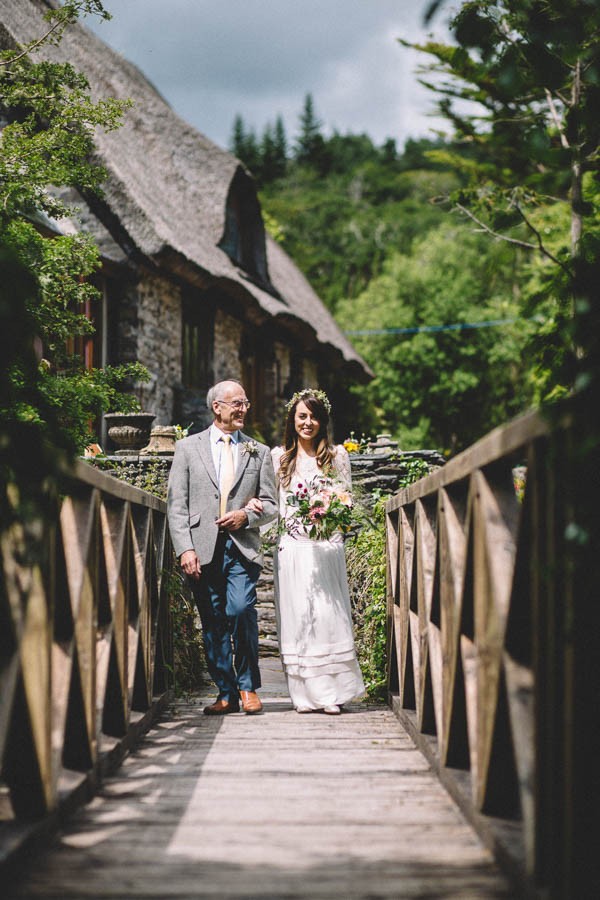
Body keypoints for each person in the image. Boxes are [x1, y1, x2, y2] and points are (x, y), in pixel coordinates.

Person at [167, 380, 277, 715]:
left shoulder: (259, 452)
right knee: (212, 621)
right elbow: (176, 505)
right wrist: (185, 549)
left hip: (241, 549)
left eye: (246, 403)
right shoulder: (188, 448)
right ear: (217, 406)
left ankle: (247, 687)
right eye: (237, 403)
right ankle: (225, 691)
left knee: (241, 610)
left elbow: (271, 504)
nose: (243, 408)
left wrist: (245, 516)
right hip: (202, 548)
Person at [271, 388, 365, 714]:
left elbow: (345, 500)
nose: (307, 423)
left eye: (313, 417)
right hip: (293, 549)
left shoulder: (337, 457)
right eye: (302, 416)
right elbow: (273, 504)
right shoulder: (279, 457)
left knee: (328, 618)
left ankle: (332, 695)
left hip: (325, 547)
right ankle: (305, 696)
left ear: (322, 420)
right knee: (299, 621)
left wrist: (332, 530)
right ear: (292, 420)